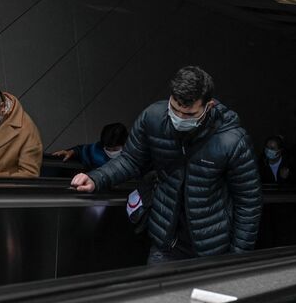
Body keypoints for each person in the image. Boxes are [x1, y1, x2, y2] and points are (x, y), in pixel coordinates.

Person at [71, 66, 261, 264]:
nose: (179, 118)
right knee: (156, 293)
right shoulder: (153, 118)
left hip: (212, 248)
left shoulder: (232, 141)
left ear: (209, 106)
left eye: (189, 114)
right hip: (165, 241)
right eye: (175, 109)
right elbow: (131, 159)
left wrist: (238, 257)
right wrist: (96, 178)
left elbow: (248, 201)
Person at [53, 122, 128, 169]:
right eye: (108, 149)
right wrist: (71, 152)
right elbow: (83, 151)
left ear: (125, 143)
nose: (111, 152)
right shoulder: (97, 151)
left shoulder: (134, 155)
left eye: (115, 149)